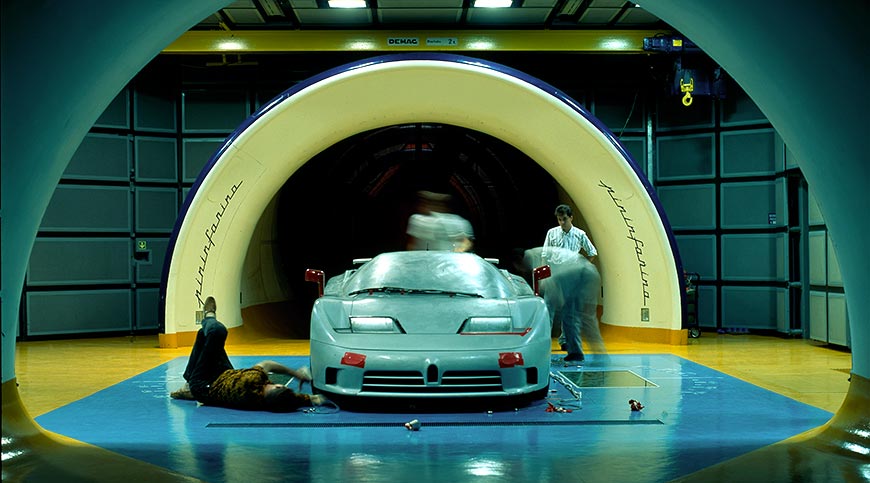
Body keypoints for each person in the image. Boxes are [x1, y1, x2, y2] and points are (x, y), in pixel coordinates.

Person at [170, 296, 324, 412]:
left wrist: (296, 374)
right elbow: (293, 400)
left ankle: (208, 316)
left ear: (276, 387)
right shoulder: (264, 402)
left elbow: (268, 364)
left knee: (217, 332)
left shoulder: (252, 381)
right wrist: (311, 399)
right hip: (223, 376)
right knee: (204, 337)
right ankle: (187, 384)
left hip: (203, 385)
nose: (277, 384)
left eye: (279, 386)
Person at [406, 190, 474, 252]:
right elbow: (412, 245)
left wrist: (459, 251)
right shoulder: (417, 220)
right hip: (426, 261)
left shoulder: (458, 221)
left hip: (448, 261)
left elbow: (466, 242)